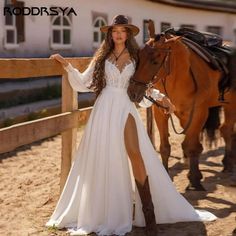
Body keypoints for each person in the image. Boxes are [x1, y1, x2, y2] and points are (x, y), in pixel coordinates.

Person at [46, 15, 216, 236]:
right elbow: (85, 82)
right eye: (114, 30)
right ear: (110, 34)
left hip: (125, 107)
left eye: (122, 30)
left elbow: (143, 84)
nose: (118, 34)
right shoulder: (102, 56)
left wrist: (161, 98)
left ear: (128, 34)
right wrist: (67, 65)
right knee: (105, 157)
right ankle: (106, 211)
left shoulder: (137, 56)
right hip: (104, 109)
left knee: (135, 154)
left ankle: (149, 214)